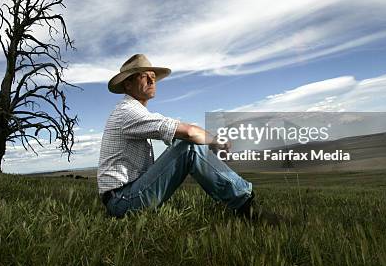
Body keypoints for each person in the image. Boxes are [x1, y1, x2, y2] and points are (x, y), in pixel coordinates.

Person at [97, 54, 280, 223]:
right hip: (122, 202)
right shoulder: (127, 111)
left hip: (125, 196)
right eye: (144, 76)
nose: (152, 80)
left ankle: (238, 200)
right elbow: (189, 132)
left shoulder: (133, 112)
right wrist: (216, 141)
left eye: (153, 76)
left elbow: (183, 131)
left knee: (186, 142)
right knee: (189, 145)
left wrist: (206, 142)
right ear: (127, 85)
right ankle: (247, 208)